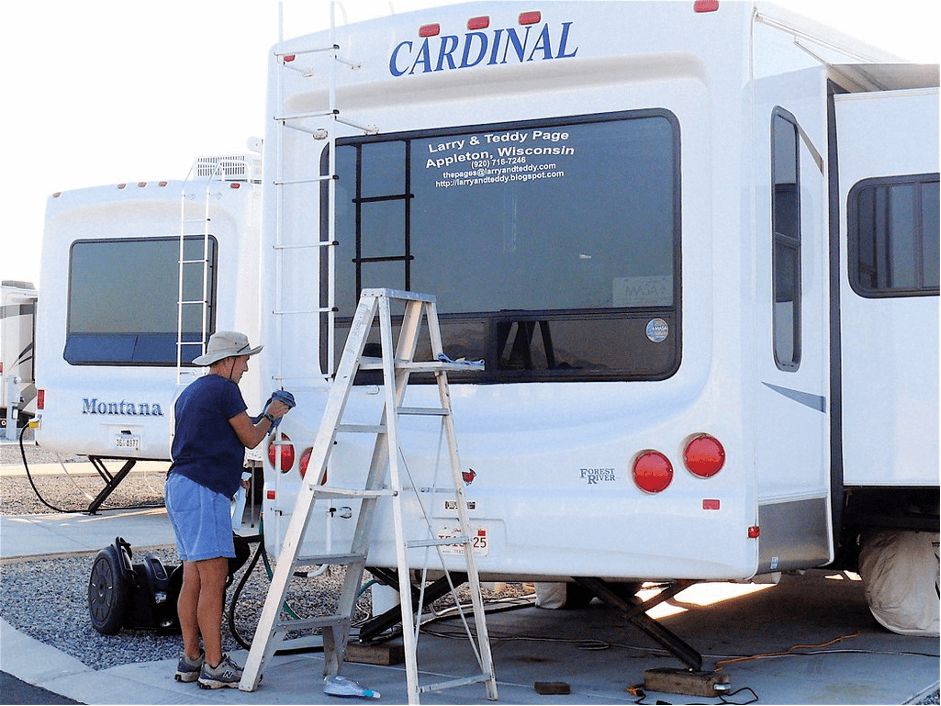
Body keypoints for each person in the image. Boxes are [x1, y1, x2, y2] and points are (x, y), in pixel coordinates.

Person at [165, 331, 291, 689]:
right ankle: (216, 666)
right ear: (229, 360)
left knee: (193, 576)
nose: (247, 367)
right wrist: (272, 413)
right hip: (203, 491)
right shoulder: (224, 389)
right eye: (245, 359)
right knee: (214, 580)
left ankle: (191, 659)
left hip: (180, 485)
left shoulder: (190, 392)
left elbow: (205, 441)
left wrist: (233, 477)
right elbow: (251, 437)